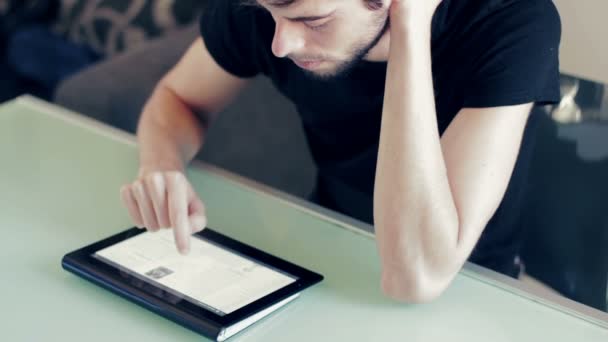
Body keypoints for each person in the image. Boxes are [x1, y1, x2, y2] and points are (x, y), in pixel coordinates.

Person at [119, 0, 561, 302]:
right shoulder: (274, 12)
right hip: (325, 251)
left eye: (313, 21)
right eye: (271, 14)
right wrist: (162, 165)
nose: (281, 43)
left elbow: (417, 278)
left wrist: (410, 30)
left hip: (468, 284)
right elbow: (178, 99)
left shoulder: (511, 23)